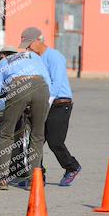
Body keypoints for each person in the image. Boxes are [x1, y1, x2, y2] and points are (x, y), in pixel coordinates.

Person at [0, 47, 53, 190]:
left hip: (18, 86)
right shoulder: (32, 55)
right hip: (41, 87)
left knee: (6, 134)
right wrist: (45, 106)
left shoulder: (3, 63)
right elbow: (48, 81)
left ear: (3, 56)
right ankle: (35, 181)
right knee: (38, 136)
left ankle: (2, 179)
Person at [19, 27, 81, 186]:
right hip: (43, 102)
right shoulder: (35, 58)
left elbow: (56, 84)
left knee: (55, 141)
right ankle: (38, 176)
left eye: (28, 44)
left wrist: (43, 105)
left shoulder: (55, 57)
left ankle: (72, 167)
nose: (27, 48)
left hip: (60, 103)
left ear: (37, 41)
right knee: (36, 140)